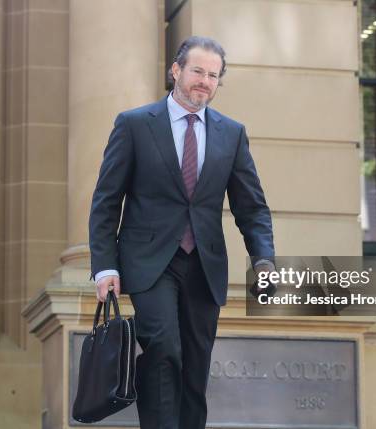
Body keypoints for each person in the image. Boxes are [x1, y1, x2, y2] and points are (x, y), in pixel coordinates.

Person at [89, 35, 275, 429]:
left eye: (213, 75)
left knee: (194, 364)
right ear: (176, 70)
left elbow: (251, 206)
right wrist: (105, 266)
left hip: (204, 267)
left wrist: (263, 258)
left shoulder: (232, 133)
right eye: (197, 71)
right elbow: (107, 200)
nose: (204, 82)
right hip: (149, 263)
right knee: (163, 348)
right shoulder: (136, 124)